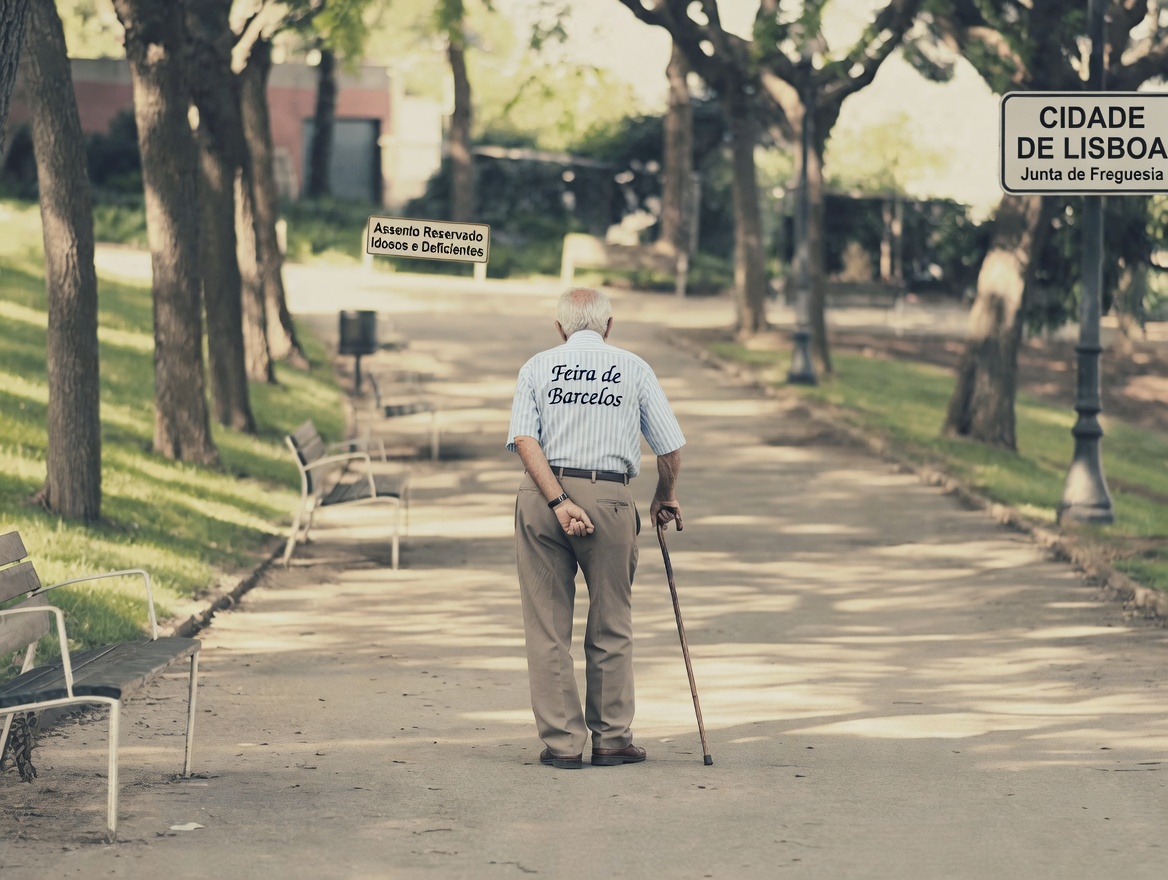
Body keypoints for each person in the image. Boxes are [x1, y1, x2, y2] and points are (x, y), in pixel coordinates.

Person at [506, 286, 685, 770]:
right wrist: (664, 495)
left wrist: (559, 500)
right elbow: (669, 449)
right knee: (611, 620)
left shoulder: (537, 367)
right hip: (609, 497)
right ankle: (611, 739)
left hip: (542, 500)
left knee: (546, 626)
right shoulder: (634, 368)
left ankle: (564, 744)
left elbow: (524, 439)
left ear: (560, 327)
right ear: (608, 326)